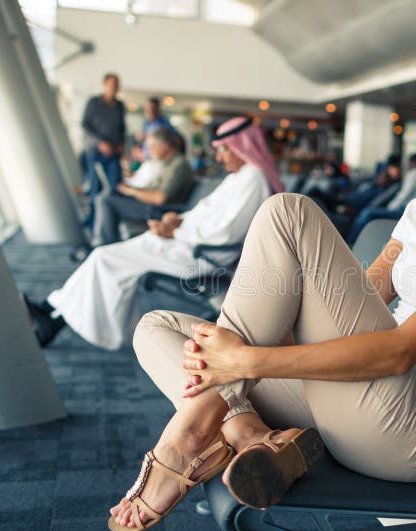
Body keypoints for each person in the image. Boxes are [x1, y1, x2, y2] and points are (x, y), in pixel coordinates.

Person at [108, 34, 416, 531]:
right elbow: (358, 300)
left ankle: (191, 435)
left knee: (288, 211)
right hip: (353, 396)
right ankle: (252, 435)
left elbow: (400, 351)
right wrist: (253, 341)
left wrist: (248, 360)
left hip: (414, 424)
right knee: (158, 326)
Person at [26, 116, 282, 351]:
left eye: (224, 149)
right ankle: (53, 314)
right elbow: (204, 213)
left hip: (200, 255)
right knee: (103, 258)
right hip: (182, 244)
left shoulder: (253, 179)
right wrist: (176, 220)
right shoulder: (239, 177)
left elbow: (225, 233)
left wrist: (174, 231)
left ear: (240, 147)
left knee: (104, 258)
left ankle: (52, 312)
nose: (220, 156)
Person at [93, 127, 194, 246]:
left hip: (161, 210)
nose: (150, 151)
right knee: (110, 194)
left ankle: (102, 245)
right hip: (152, 205)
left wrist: (132, 192)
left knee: (106, 200)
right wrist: (129, 190)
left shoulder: (178, 165)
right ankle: (104, 243)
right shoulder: (165, 163)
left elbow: (160, 198)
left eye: (152, 147)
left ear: (164, 146)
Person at [346, 152, 416, 243]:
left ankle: (351, 242)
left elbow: (404, 195)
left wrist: (389, 208)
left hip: (408, 211)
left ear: (413, 163)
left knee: (367, 212)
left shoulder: (415, 173)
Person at [82, 72, 126, 229]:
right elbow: (85, 125)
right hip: (96, 152)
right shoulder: (94, 102)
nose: (114, 87)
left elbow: (122, 128)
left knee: (115, 187)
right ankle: (93, 224)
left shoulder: (120, 105)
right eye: (111, 83)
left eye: (116, 84)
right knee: (95, 188)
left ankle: (110, 224)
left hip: (114, 154)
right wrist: (101, 142)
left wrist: (121, 144)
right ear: (104, 84)